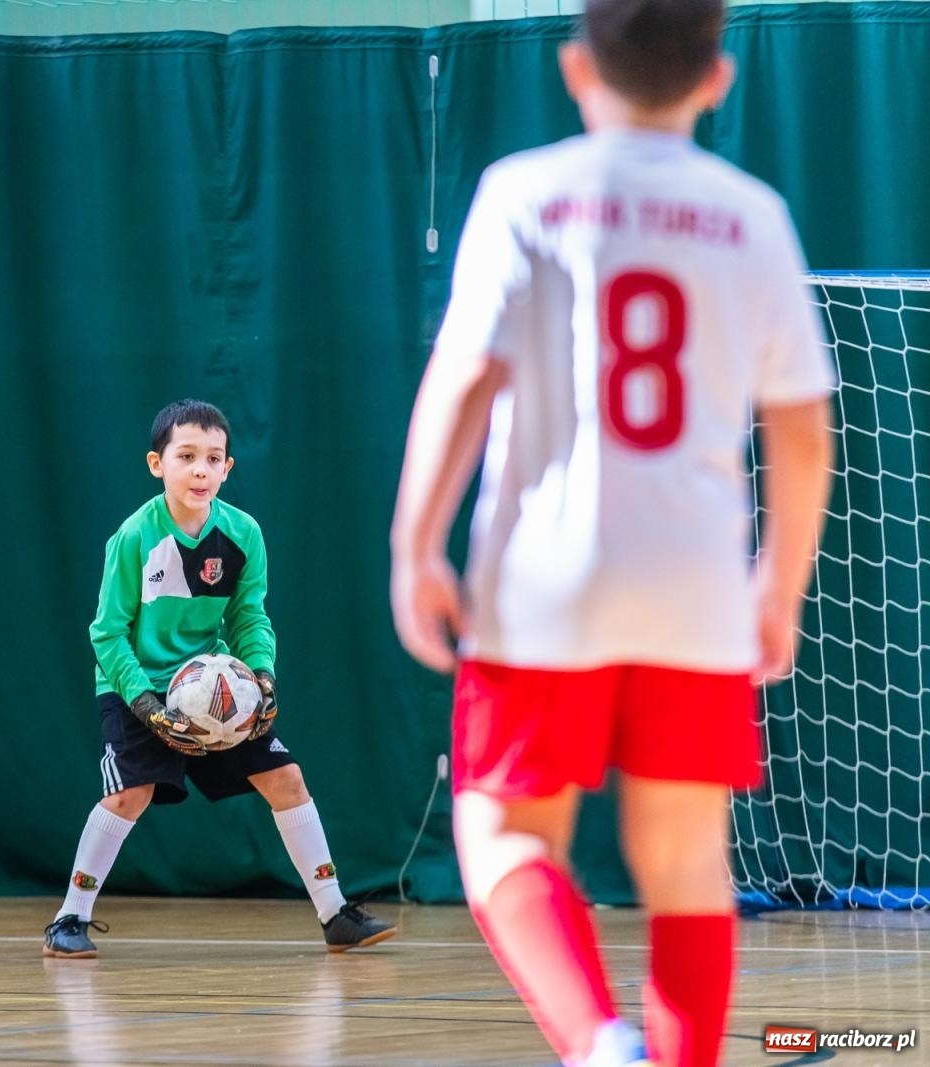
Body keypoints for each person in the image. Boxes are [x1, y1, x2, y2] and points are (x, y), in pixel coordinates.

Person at [389, 2, 834, 1064]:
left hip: (541, 574)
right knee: (685, 859)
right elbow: (803, 425)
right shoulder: (752, 212)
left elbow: (464, 375)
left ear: (575, 66)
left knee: (503, 833)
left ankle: (599, 1040)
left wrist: (415, 543)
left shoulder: (523, 192)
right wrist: (779, 584)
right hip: (693, 581)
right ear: (717, 78)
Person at [43, 399, 395, 958]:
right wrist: (144, 705)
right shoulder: (134, 538)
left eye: (213, 458)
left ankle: (335, 913)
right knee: (129, 795)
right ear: (157, 464)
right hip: (134, 685)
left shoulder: (243, 534)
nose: (201, 469)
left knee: (288, 780)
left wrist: (263, 675)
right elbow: (107, 634)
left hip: (217, 690)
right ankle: (68, 919)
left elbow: (249, 616)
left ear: (228, 468)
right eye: (186, 456)